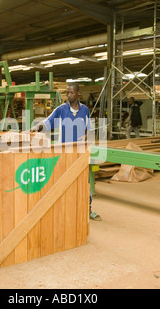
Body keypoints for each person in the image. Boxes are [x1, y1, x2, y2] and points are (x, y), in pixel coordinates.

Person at [28, 82, 101, 221]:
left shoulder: (85, 110)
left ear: (78, 93)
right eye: (67, 92)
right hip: (64, 152)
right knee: (63, 181)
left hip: (80, 152)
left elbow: (90, 130)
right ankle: (66, 210)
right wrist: (36, 128)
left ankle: (88, 208)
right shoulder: (61, 110)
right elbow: (47, 122)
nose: (69, 95)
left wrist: (84, 138)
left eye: (71, 92)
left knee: (84, 181)